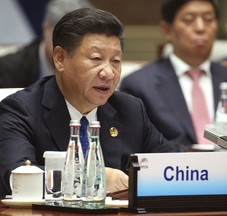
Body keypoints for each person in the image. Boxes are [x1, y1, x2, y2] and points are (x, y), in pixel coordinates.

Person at [0, 8, 178, 197]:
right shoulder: (20, 110)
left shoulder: (130, 109)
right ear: (60, 58)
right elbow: (19, 178)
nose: (109, 73)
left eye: (116, 61)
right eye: (96, 59)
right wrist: (91, 178)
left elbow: (172, 165)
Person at [120, 0, 227, 151]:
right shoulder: (139, 86)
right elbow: (134, 149)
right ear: (167, 30)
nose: (200, 28)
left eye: (208, 20)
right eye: (189, 20)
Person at [0, 0, 93, 88]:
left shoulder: (93, 70)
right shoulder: (6, 71)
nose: (74, 47)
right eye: (68, 37)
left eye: (81, 40)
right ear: (47, 28)